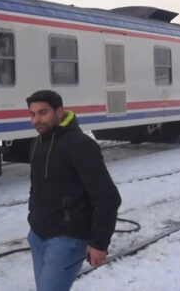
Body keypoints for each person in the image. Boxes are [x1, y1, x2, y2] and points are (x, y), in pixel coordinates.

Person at [25, 90, 122, 291]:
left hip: (67, 239)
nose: (37, 120)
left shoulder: (80, 145)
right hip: (38, 235)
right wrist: (32, 219)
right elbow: (36, 188)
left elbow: (108, 198)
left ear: (60, 112)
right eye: (32, 114)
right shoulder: (37, 143)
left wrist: (99, 243)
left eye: (43, 112)